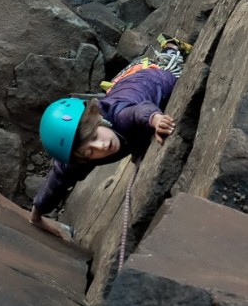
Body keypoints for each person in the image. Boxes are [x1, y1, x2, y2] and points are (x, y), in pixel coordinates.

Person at [30, 36, 190, 237]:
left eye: (95, 137)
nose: (101, 146)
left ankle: (172, 46)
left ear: (98, 119)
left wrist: (156, 119)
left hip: (155, 81)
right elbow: (59, 180)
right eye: (90, 152)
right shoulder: (79, 152)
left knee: (168, 66)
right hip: (124, 86)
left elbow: (137, 112)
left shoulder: (119, 114)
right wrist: (37, 214)